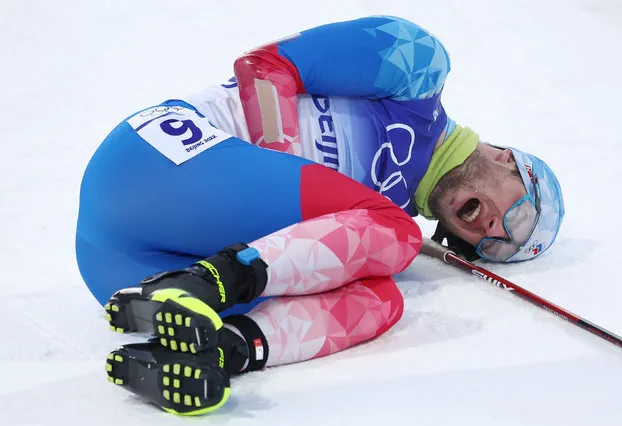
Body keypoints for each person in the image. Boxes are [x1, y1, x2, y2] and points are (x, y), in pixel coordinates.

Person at [75, 15, 564, 416]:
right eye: (519, 216)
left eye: (499, 247)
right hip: (159, 154)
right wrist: (284, 161)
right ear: (508, 159)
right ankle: (210, 285)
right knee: (393, 239)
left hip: (120, 264)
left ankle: (218, 350)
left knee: (380, 300)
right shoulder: (418, 67)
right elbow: (265, 66)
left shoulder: (364, 227)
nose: (492, 231)